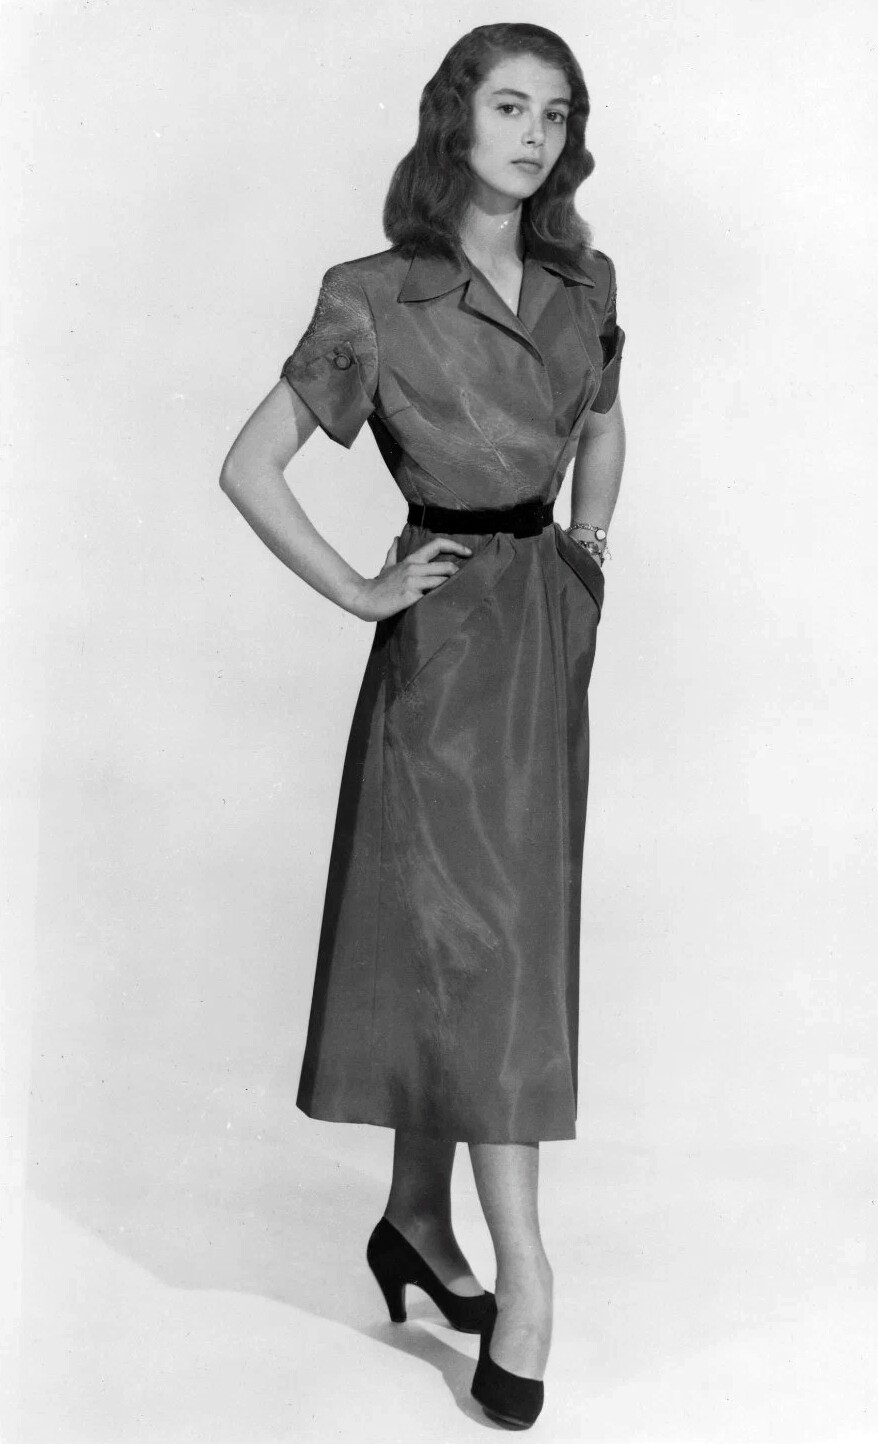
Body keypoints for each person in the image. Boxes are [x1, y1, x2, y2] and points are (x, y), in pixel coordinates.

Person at [219, 21, 625, 1430]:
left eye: (555, 115)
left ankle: (413, 1218)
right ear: (454, 120)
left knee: (479, 938)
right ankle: (526, 1281)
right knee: (482, 948)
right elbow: (250, 465)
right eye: (508, 107)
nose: (533, 136)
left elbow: (602, 421)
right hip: (444, 656)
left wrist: (589, 551)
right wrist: (362, 589)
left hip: (543, 640)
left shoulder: (585, 281)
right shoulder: (374, 294)